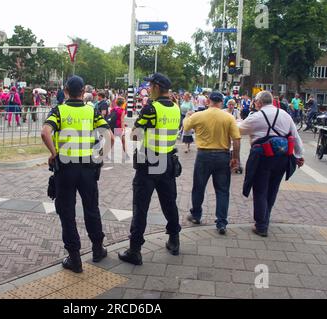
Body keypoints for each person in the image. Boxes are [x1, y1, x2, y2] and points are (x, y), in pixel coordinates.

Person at [41, 76, 114, 273]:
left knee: (67, 212)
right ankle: (98, 250)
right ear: (83, 92)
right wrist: (99, 157)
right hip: (88, 169)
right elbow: (110, 136)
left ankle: (75, 259)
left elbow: (45, 132)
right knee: (91, 208)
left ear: (65, 91)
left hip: (65, 169)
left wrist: (54, 154)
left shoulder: (59, 110)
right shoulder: (92, 111)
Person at [119, 73, 182, 266]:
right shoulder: (176, 108)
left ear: (156, 87)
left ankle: (135, 250)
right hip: (168, 161)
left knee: (141, 207)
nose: (148, 87)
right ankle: (174, 240)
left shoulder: (151, 108)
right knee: (169, 202)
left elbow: (136, 134)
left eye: (149, 84)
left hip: (150, 161)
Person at [239, 91, 305, 237]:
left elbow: (239, 130)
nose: (254, 103)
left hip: (263, 158)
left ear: (259, 102)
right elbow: (295, 136)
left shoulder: (256, 116)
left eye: (255, 101)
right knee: (272, 189)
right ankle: (265, 219)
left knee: (260, 190)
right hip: (282, 158)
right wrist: (299, 156)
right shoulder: (285, 115)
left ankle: (261, 225)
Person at [184, 92, 241, 235]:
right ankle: (221, 222)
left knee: (199, 186)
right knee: (222, 190)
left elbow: (186, 128)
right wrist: (235, 158)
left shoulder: (199, 115)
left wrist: (187, 117)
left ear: (208, 101)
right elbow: (236, 139)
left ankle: (196, 215)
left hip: (203, 155)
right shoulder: (228, 117)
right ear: (222, 102)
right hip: (223, 155)